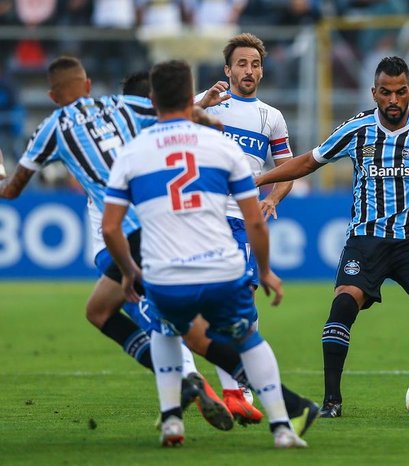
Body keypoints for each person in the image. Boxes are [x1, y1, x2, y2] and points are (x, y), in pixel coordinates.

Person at [0, 56, 247, 432]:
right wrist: (205, 112)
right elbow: (173, 115)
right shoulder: (126, 116)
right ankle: (202, 402)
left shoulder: (64, 127)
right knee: (170, 320)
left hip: (119, 234)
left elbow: (14, 188)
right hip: (163, 226)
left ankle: (205, 393)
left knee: (159, 321)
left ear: (52, 95)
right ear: (87, 86)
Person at [256, 56, 409, 418]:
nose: (394, 100)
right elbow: (309, 161)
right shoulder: (356, 130)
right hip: (365, 240)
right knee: (343, 303)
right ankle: (332, 401)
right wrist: (259, 180)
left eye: (400, 92)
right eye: (386, 92)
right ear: (374, 92)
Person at [102, 59, 307, 448]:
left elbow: (111, 227)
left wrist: (129, 272)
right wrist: (263, 270)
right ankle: (282, 428)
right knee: (247, 337)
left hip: (164, 273)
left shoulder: (134, 151)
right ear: (189, 95)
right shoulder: (220, 144)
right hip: (222, 269)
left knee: (165, 330)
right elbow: (256, 221)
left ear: (154, 100)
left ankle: (171, 422)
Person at [195, 32, 295, 422]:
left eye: (254, 64)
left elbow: (286, 169)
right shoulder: (207, 101)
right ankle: (230, 387)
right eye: (241, 63)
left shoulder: (271, 117)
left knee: (244, 305)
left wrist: (272, 197)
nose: (248, 70)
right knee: (210, 301)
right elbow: (162, 125)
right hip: (202, 215)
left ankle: (234, 386)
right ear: (227, 69)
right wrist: (201, 106)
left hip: (241, 219)